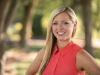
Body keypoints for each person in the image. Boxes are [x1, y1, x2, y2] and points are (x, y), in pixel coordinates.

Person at [25, 6, 100, 75]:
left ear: (74, 24)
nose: (59, 27)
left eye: (65, 23)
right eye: (55, 23)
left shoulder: (80, 55)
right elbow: (29, 73)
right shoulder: (45, 52)